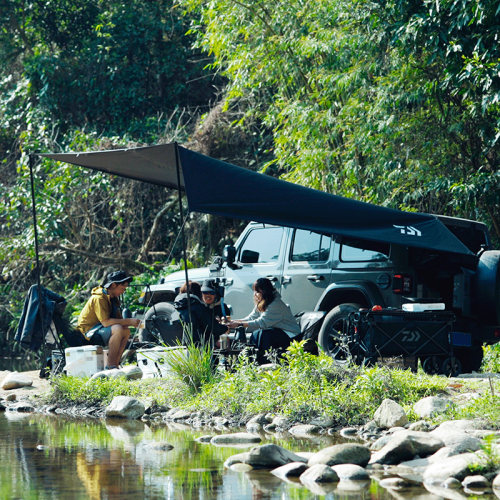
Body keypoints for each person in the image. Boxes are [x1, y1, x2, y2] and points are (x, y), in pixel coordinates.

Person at [227, 277, 300, 364]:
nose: (255, 294)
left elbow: (262, 322)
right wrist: (234, 322)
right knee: (256, 334)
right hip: (278, 331)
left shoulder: (275, 304)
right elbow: (251, 318)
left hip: (291, 335)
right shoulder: (263, 302)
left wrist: (241, 324)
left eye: (257, 292)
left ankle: (264, 361)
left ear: (265, 291)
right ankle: (252, 360)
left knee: (263, 334)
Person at [77, 270, 140, 369]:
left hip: (101, 329)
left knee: (125, 331)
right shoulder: (99, 298)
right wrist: (128, 321)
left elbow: (119, 321)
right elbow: (106, 322)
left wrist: (132, 328)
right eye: (122, 288)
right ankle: (111, 366)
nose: (123, 291)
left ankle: (116, 363)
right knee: (118, 329)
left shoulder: (113, 299)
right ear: (114, 285)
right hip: (88, 332)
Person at [174, 281, 228, 347]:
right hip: (198, 347)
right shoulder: (196, 307)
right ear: (199, 293)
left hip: (181, 346)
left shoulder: (178, 306)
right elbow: (212, 327)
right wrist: (226, 328)